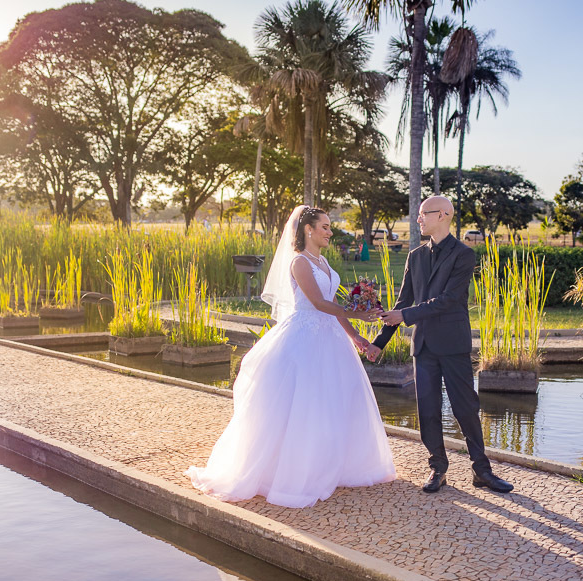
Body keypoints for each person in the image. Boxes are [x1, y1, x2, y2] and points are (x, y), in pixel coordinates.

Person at [186, 206, 395, 508]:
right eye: (325, 227)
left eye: (329, 227)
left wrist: (356, 336)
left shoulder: (323, 262)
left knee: (333, 402)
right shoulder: (299, 262)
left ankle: (331, 466)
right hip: (305, 338)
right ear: (308, 229)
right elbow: (319, 303)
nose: (330, 232)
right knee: (303, 405)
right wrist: (357, 314)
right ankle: (291, 473)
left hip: (332, 339)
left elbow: (332, 306)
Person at [366, 196, 513, 494]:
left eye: (423, 214)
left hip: (453, 344)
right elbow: (403, 302)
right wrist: (379, 342)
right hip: (423, 347)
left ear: (443, 215)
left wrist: (406, 316)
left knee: (466, 408)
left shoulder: (464, 255)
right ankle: (437, 467)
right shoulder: (415, 256)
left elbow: (449, 300)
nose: (418, 219)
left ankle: (482, 471)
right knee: (428, 411)